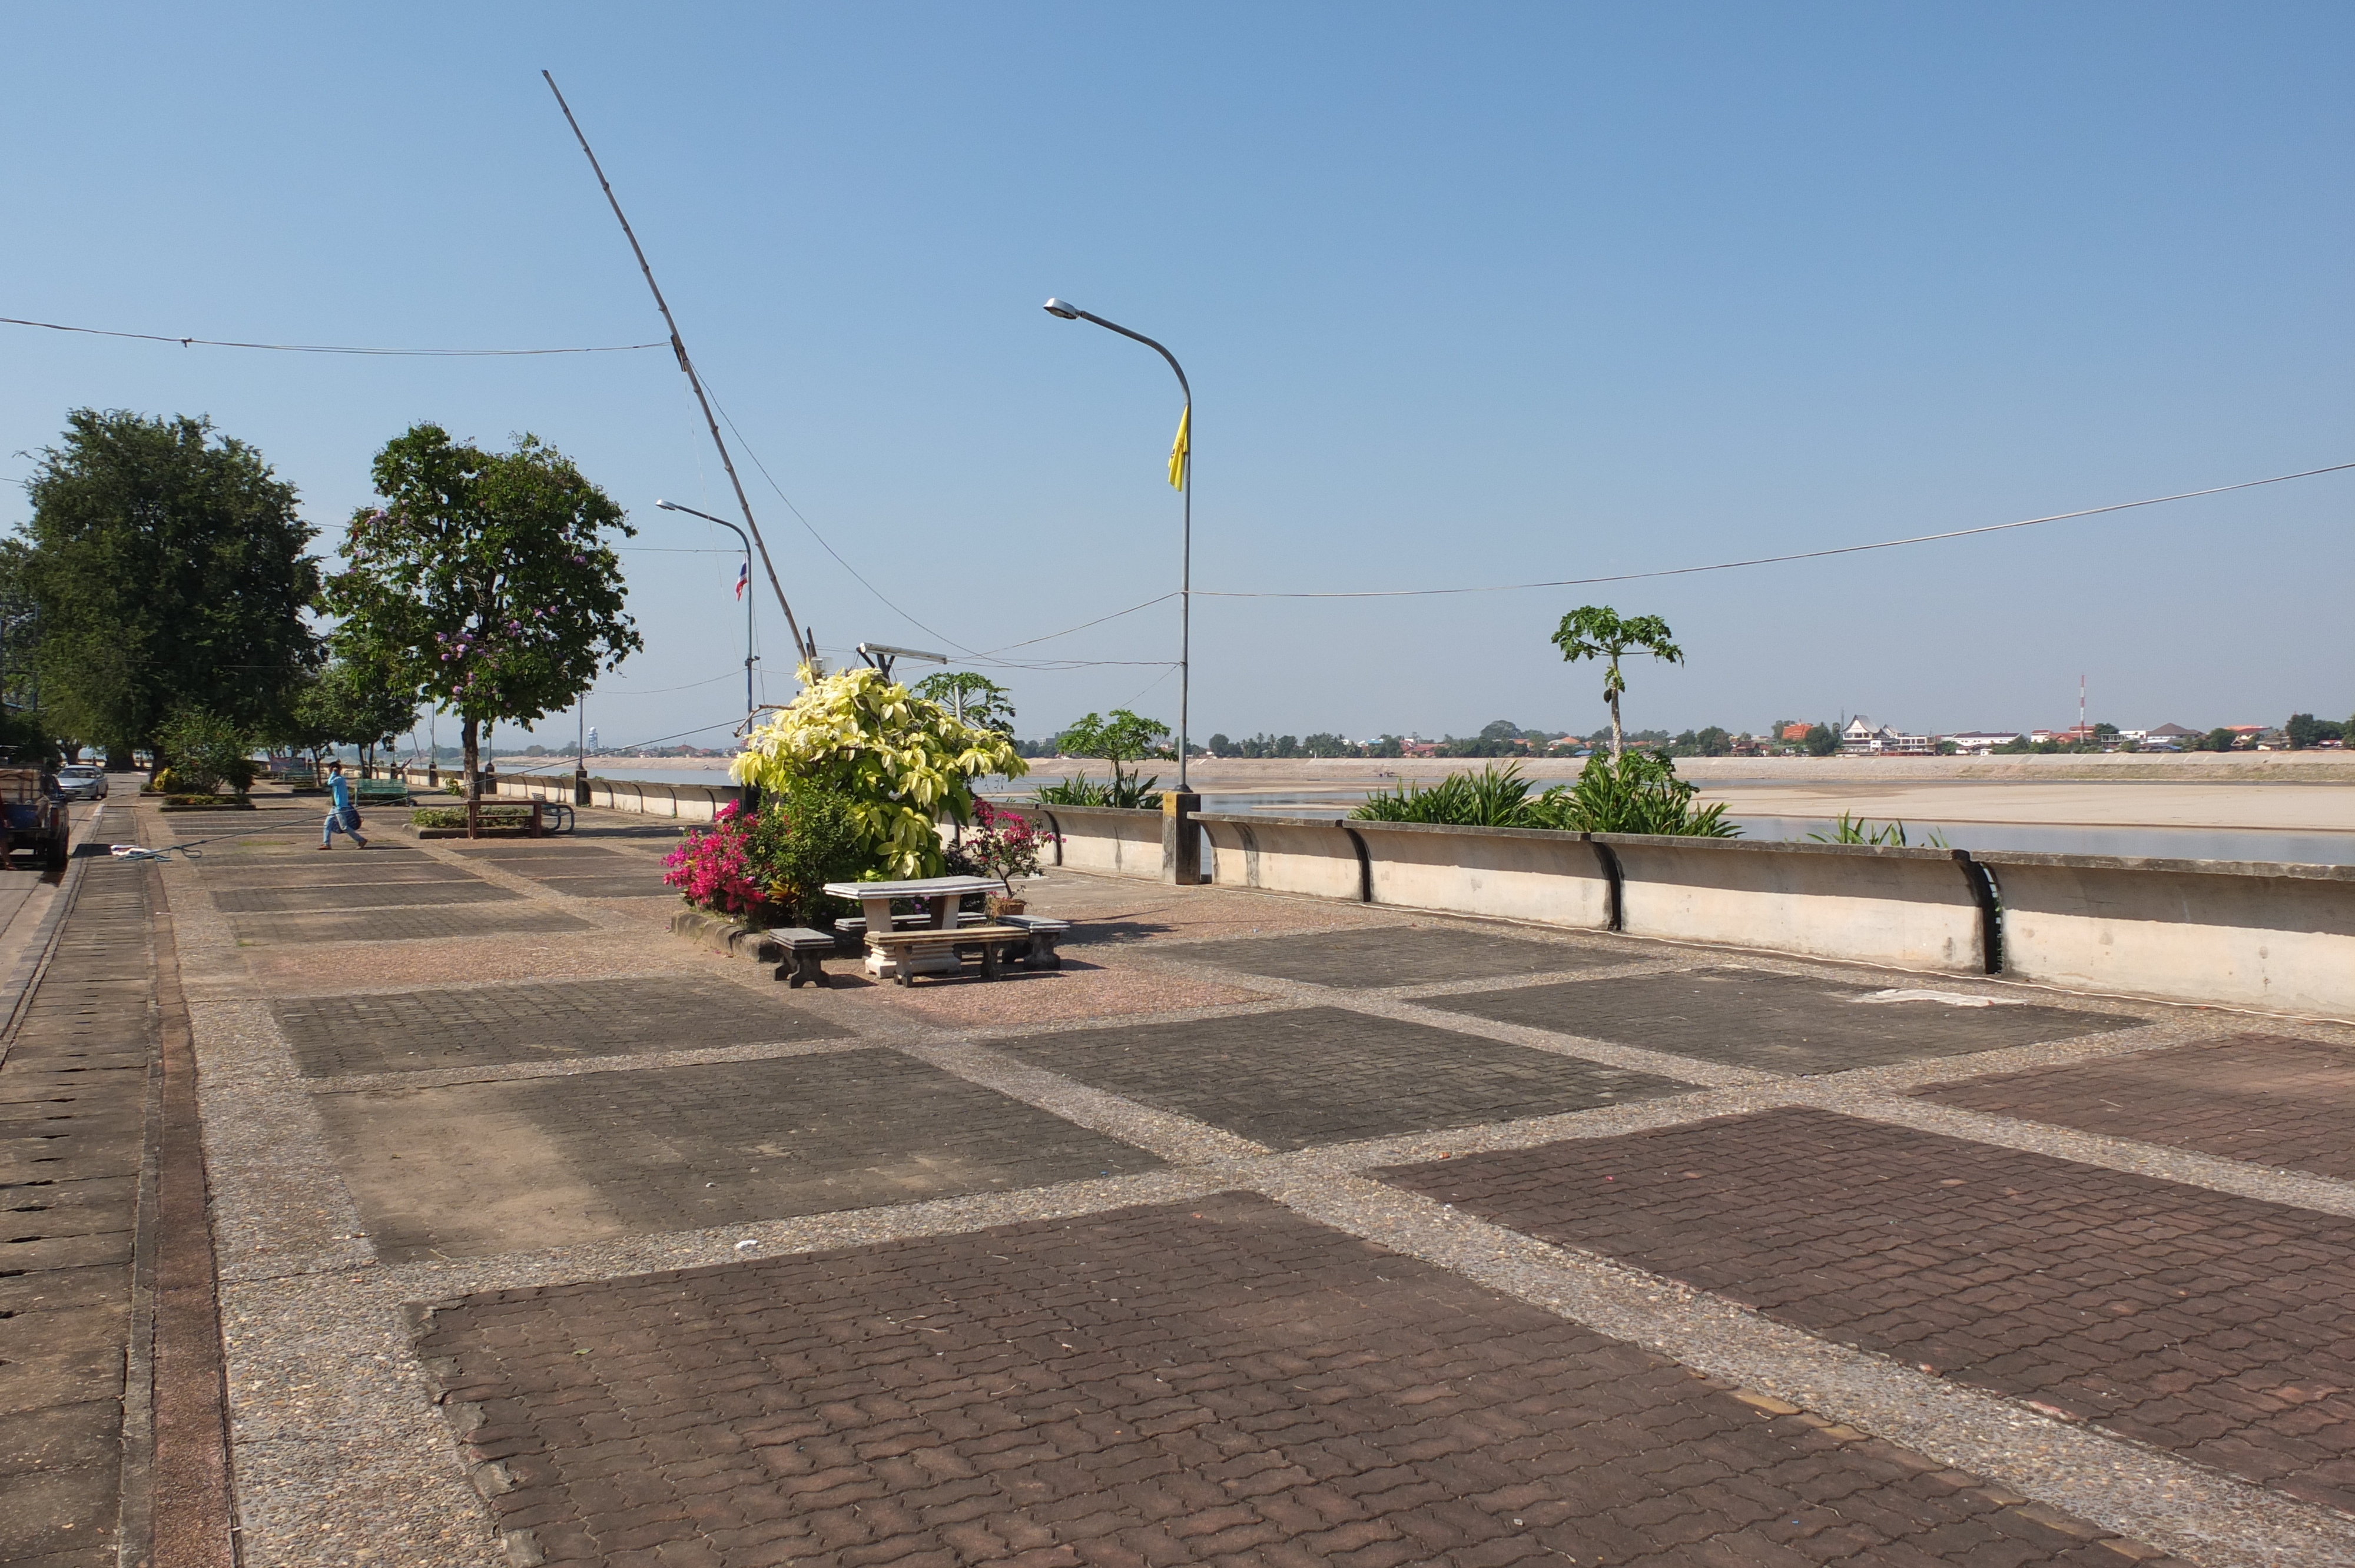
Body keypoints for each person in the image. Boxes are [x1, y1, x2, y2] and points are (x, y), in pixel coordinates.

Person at [320, 760, 369, 849]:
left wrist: (334, 773)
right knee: (327, 825)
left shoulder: (339, 779)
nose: (330, 772)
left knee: (344, 827)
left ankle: (361, 840)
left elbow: (330, 783)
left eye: (331, 770)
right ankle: (326, 844)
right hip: (334, 807)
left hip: (340, 807)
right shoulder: (336, 779)